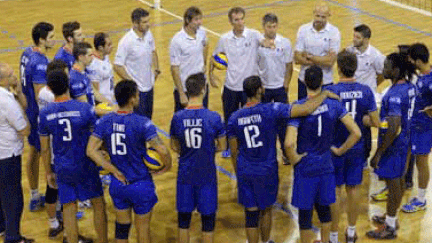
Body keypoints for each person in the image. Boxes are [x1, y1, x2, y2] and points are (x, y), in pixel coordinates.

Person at [227, 75, 340, 243]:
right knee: (265, 210)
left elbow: (234, 150)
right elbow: (306, 109)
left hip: (246, 170)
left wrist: (238, 172)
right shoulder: (272, 109)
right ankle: (265, 241)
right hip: (267, 169)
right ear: (260, 90)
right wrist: (324, 94)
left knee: (251, 214)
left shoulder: (234, 118)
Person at [87, 80, 172, 243]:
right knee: (143, 230)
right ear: (132, 99)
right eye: (137, 94)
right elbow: (162, 150)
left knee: (122, 230)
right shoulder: (143, 123)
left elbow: (91, 150)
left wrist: (112, 169)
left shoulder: (105, 121)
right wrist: (167, 166)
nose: (139, 97)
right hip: (140, 183)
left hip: (118, 184)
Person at [285, 65, 361, 243]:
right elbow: (356, 133)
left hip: (305, 167)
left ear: (303, 82)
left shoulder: (298, 107)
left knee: (305, 215)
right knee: (325, 212)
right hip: (326, 164)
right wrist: (340, 150)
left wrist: (295, 159)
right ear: (322, 82)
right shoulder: (334, 104)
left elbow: (289, 143)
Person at [39, 70, 108, 243]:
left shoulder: (45, 114)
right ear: (68, 84)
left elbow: (45, 149)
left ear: (49, 88)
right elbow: (98, 138)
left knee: (69, 207)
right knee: (98, 203)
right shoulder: (85, 109)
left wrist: (48, 172)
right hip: (86, 164)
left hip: (63, 166)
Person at [325, 51, 379, 243]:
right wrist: (362, 119)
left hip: (336, 147)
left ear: (338, 68)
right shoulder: (366, 91)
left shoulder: (331, 92)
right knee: (353, 189)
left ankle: (332, 235)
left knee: (336, 190)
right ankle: (351, 232)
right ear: (355, 68)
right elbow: (375, 121)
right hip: (357, 147)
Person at [170, 73, 226, 243]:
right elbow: (223, 146)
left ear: (187, 91)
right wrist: (208, 149)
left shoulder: (177, 118)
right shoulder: (214, 118)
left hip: (185, 174)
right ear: (204, 90)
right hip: (206, 175)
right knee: (208, 222)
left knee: (183, 221)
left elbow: (174, 146)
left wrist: (188, 151)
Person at [366, 53, 416, 239]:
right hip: (407, 141)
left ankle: (390, 227)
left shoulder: (395, 94)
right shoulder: (409, 87)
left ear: (395, 70)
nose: (383, 69)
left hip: (394, 146)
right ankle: (391, 218)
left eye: (386, 66)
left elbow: (394, 126)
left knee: (394, 184)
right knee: (400, 181)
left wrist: (379, 153)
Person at [209, 7, 262, 157]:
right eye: (236, 20)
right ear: (231, 22)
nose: (240, 22)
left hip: (249, 89)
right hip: (231, 86)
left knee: (250, 119)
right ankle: (228, 147)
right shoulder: (224, 39)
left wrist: (270, 43)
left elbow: (264, 41)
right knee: (230, 119)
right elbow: (214, 57)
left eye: (241, 19)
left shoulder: (253, 35)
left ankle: (247, 145)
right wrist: (211, 74)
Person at [0, 63, 34, 243]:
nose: (15, 77)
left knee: (1, 193)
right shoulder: (6, 101)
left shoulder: (7, 96)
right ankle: (13, 237)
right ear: (3, 80)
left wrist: (19, 93)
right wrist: (26, 120)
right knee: (13, 198)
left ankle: (2, 227)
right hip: (8, 156)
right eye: (12, 75)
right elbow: (25, 130)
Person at [23, 21, 55, 211]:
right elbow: (40, 95)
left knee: (33, 153)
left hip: (29, 110)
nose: (54, 40)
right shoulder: (40, 63)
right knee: (43, 155)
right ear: (42, 40)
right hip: (38, 116)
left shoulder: (27, 52)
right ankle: (49, 202)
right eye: (51, 37)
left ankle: (35, 195)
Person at [38, 59, 68, 238]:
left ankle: (53, 223)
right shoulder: (54, 97)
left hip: (47, 142)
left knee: (51, 187)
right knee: (61, 188)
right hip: (57, 146)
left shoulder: (42, 91)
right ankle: (67, 232)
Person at [257, 13, 293, 163]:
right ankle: (267, 153)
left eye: (273, 26)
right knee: (265, 122)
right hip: (264, 88)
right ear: (263, 26)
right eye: (268, 27)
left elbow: (289, 65)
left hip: (279, 88)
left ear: (277, 26)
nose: (271, 29)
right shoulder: (258, 44)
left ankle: (285, 153)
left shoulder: (284, 42)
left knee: (283, 122)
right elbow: (254, 65)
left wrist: (286, 83)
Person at [401, 43, 432, 213]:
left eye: (412, 60)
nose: (411, 63)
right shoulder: (423, 75)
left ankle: (421, 199)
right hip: (415, 126)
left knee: (421, 163)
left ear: (419, 61)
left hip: (424, 129)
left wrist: (429, 111)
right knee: (415, 160)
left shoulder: (430, 80)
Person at [114, 8, 160, 119]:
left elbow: (153, 51)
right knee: (138, 121)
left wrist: (157, 69)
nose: (148, 24)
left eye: (148, 21)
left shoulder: (148, 34)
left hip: (149, 87)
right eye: (144, 22)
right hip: (138, 92)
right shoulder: (126, 42)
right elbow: (117, 65)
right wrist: (132, 83)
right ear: (135, 23)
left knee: (148, 118)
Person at [294, 1, 340, 100]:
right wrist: (322, 59)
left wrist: (309, 56)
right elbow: (297, 58)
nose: (319, 19)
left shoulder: (334, 32)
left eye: (323, 17)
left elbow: (330, 61)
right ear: (313, 14)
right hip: (304, 81)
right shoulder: (303, 29)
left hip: (325, 82)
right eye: (318, 16)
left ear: (328, 16)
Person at [170, 6, 210, 111]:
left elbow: (206, 44)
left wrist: (204, 63)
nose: (200, 22)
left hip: (201, 86)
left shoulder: (202, 32)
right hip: (186, 89)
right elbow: (174, 68)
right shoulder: (177, 40)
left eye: (200, 19)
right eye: (196, 19)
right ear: (187, 20)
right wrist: (181, 93)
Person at [87, 32, 115, 105]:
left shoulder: (105, 56)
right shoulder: (93, 65)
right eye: (109, 45)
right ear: (100, 48)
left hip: (111, 99)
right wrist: (107, 103)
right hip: (103, 104)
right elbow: (95, 92)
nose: (112, 46)